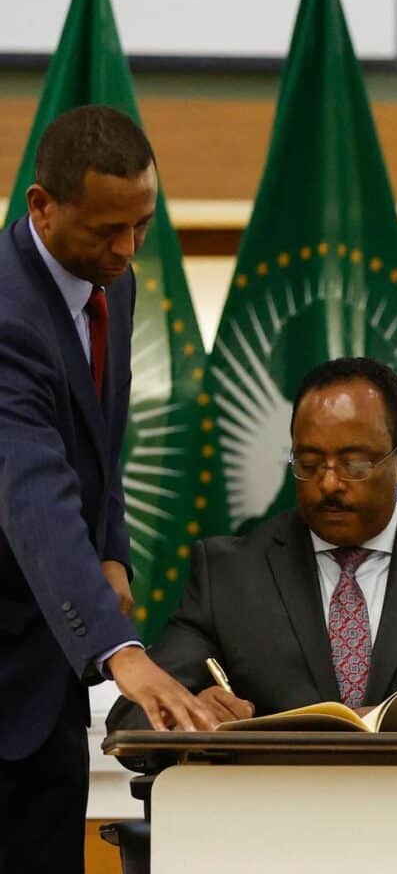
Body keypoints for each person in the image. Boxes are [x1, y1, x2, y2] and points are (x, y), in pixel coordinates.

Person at [0, 105, 216, 873]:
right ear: (41, 206)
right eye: (105, 231)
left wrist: (114, 555)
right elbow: (33, 492)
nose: (127, 251)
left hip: (46, 684)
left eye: (142, 226)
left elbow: (97, 445)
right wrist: (121, 650)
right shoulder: (7, 317)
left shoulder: (109, 283)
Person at [108, 358, 397, 734]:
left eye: (354, 464)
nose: (329, 484)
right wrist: (195, 713)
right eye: (310, 464)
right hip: (275, 819)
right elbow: (132, 716)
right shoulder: (229, 575)